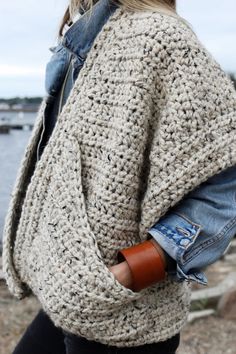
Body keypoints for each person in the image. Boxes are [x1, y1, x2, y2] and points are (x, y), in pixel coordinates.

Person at [2, 0, 236, 353]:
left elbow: (227, 182)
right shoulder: (84, 38)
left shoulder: (162, 38)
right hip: (74, 297)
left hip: (123, 313)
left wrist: (133, 270)